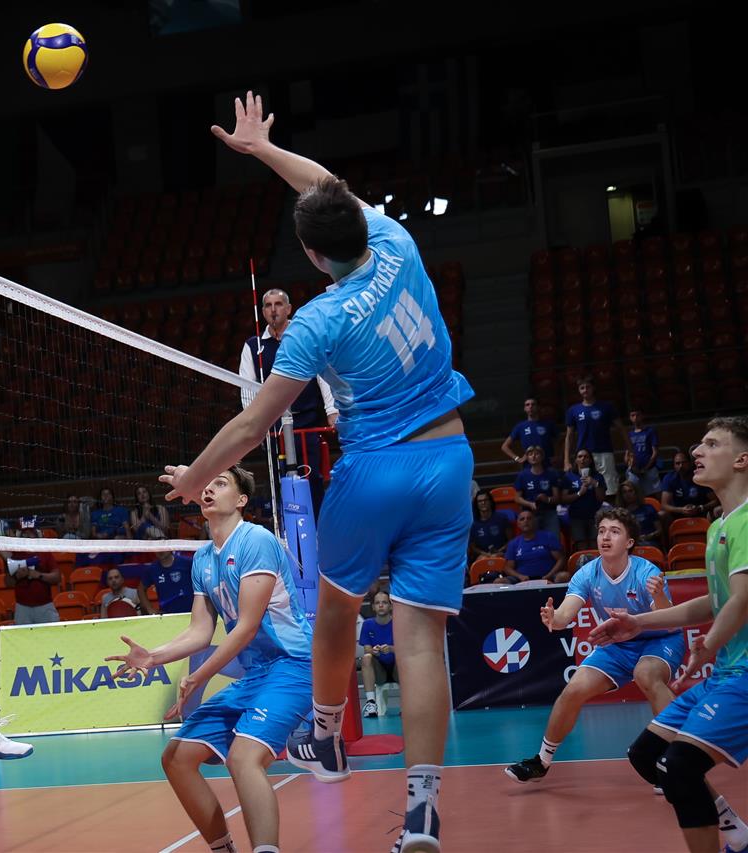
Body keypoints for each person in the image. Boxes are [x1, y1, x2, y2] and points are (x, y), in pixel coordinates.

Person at [164, 91, 475, 852]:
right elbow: (325, 185)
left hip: (375, 469)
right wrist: (266, 150)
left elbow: (251, 425)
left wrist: (192, 478)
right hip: (450, 458)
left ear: (310, 255)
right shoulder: (397, 240)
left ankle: (328, 735)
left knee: (336, 610)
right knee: (421, 642)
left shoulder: (318, 320)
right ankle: (423, 810)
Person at [107, 466, 312, 853]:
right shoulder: (203, 558)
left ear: (241, 500)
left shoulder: (256, 540)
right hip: (256, 674)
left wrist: (197, 676)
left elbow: (246, 627)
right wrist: (152, 657)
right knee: (176, 758)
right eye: (206, 484)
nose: (209, 489)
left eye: (221, 483)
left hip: (294, 665)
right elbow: (201, 631)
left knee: (243, 758)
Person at [590, 417, 748, 853]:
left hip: (745, 674)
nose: (697, 451)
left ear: (741, 460)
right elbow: (716, 602)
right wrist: (639, 622)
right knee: (647, 756)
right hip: (727, 673)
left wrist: (708, 645)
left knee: (680, 766)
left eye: (711, 444)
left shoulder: (747, 521)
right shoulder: (719, 526)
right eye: (699, 444)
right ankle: (737, 833)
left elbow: (742, 600)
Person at [504, 508, 683, 787]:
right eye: (601, 531)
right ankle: (542, 761)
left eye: (614, 531)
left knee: (646, 675)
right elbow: (564, 616)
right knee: (573, 689)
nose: (605, 537)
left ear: (629, 542)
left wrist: (659, 595)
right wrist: (554, 619)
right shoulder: (587, 574)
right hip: (618, 644)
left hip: (658, 639)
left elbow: (668, 619)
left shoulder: (646, 572)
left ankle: (677, 762)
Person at [239, 287, 340, 511]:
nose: (273, 310)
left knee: (312, 478)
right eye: (268, 305)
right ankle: (286, 527)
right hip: (273, 424)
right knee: (279, 481)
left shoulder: (305, 336)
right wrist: (254, 422)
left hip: (306, 421)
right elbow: (247, 387)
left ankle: (316, 526)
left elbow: (323, 375)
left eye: (278, 304)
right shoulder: (253, 345)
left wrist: (332, 410)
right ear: (263, 312)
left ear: (289, 309)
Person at [563, 376, 626, 499]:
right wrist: (566, 461)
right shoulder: (573, 410)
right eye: (582, 388)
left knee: (610, 488)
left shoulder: (606, 407)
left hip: (604, 452)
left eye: (588, 387)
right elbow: (569, 436)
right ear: (579, 391)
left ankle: (611, 510)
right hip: (583, 455)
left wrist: (630, 449)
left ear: (593, 388)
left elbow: (621, 428)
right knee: (585, 488)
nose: (585, 390)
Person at [5, 517, 61, 625]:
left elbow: (57, 577)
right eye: (24, 533)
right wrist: (18, 576)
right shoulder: (15, 555)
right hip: (22, 607)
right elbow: (7, 582)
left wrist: (38, 575)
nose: (27, 536)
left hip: (45, 605)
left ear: (36, 534)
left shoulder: (45, 553)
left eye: (30, 532)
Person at [503, 510, 567, 584]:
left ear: (535, 521)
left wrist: (549, 576)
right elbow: (508, 568)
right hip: (521, 580)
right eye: (522, 519)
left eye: (529, 518)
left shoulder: (548, 537)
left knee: (564, 576)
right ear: (518, 524)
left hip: (548, 577)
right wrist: (520, 576)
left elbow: (561, 559)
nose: (526, 521)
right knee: (499, 581)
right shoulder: (513, 543)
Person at [561, 448, 607, 552]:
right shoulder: (569, 476)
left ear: (590, 460)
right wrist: (579, 493)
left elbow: (601, 498)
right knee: (581, 546)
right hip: (576, 517)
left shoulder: (598, 477)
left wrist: (595, 484)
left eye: (586, 457)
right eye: (580, 456)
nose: (583, 459)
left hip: (595, 517)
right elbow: (563, 499)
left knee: (595, 544)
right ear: (576, 460)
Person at [359, 590, 396, 718]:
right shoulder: (367, 624)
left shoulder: (398, 623)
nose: (381, 605)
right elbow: (367, 649)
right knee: (366, 657)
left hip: (398, 670)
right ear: (373, 607)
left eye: (384, 602)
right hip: (380, 672)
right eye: (377, 603)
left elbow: (407, 649)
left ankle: (410, 704)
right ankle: (371, 703)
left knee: (405, 657)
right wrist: (374, 651)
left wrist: (391, 649)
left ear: (390, 606)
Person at [662, 450, 720, 526]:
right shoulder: (669, 478)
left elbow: (715, 500)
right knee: (662, 514)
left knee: (718, 509)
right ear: (674, 465)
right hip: (678, 513)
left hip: (701, 511)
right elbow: (664, 505)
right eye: (677, 463)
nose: (681, 466)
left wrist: (700, 508)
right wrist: (681, 510)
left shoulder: (700, 476)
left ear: (690, 463)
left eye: (684, 462)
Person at [514, 445, 562, 535]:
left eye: (536, 454)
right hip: (530, 513)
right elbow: (517, 498)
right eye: (530, 454)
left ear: (542, 457)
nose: (533, 456)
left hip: (549, 512)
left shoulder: (551, 473)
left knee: (553, 539)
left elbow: (557, 498)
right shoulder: (522, 475)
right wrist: (529, 504)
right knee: (533, 539)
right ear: (527, 458)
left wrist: (547, 499)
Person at [501, 397, 557, 465]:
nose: (530, 406)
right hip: (528, 466)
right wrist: (517, 458)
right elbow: (504, 446)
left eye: (533, 404)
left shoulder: (548, 424)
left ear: (538, 407)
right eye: (527, 405)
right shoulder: (520, 426)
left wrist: (558, 456)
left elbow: (561, 441)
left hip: (548, 464)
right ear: (524, 408)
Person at [143, 547, 196, 615]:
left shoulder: (187, 562)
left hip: (191, 612)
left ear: (170, 547)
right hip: (167, 614)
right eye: (157, 548)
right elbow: (141, 589)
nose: (160, 550)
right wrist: (149, 609)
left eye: (163, 547)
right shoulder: (152, 569)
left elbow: (202, 581)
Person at [627, 408, 662, 497]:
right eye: (632, 415)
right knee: (633, 495)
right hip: (634, 472)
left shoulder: (650, 431)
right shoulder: (629, 434)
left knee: (654, 496)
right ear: (630, 418)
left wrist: (646, 468)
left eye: (637, 415)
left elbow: (655, 452)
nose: (635, 417)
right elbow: (627, 454)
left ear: (642, 416)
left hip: (649, 470)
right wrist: (631, 465)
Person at [469, 490, 511, 563]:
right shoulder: (473, 523)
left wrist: (500, 551)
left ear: (490, 502)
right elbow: (473, 547)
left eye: (485, 500)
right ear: (476, 505)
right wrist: (486, 555)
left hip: (502, 553)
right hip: (482, 556)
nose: (483, 503)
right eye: (480, 501)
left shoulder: (502, 518)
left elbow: (511, 540)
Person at [618, 480, 662, 546]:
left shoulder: (648, 509)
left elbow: (659, 530)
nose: (627, 494)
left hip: (648, 542)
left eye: (630, 491)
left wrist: (648, 536)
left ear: (636, 493)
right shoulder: (620, 513)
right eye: (624, 492)